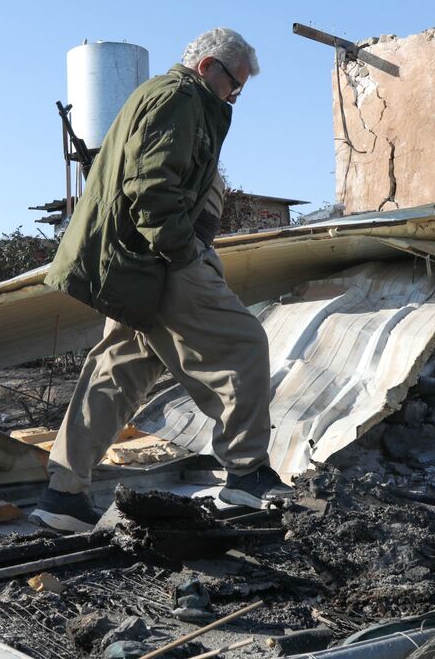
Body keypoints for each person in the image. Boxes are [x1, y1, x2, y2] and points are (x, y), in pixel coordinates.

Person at [31, 28, 292, 532]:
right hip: (156, 257)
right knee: (242, 343)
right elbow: (150, 188)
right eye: (232, 85)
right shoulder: (180, 98)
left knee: (118, 369)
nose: (234, 96)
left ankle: (62, 495)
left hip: (130, 264)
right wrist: (187, 252)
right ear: (207, 67)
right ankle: (246, 472)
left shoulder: (162, 97)